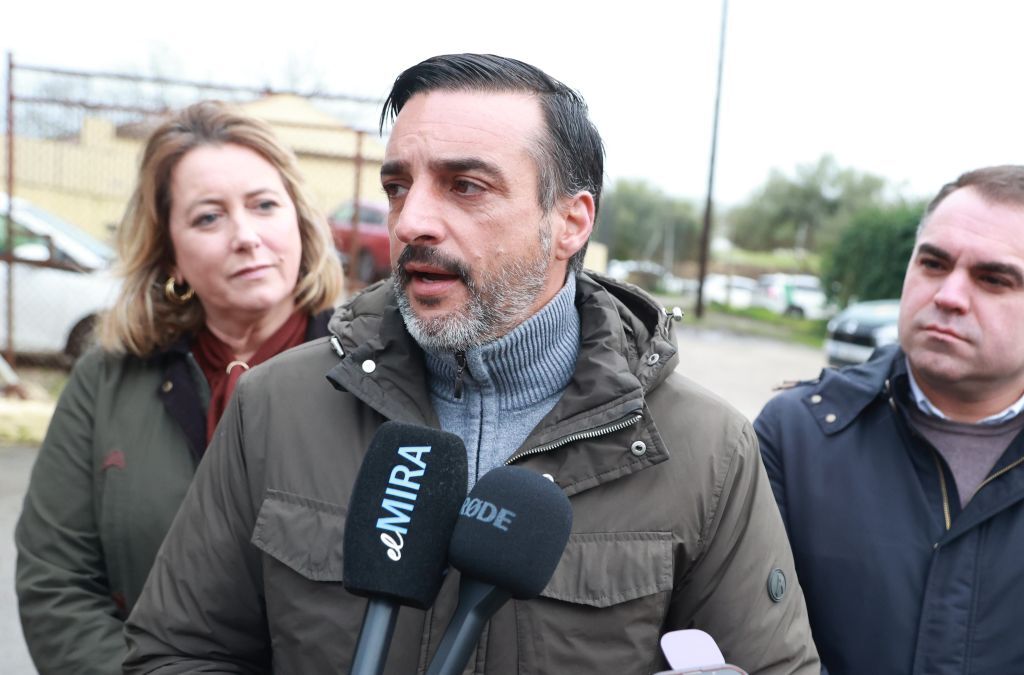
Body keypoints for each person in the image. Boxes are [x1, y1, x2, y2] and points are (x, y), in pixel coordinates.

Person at [123, 54, 820, 674]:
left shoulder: (707, 449)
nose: (410, 222)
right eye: (398, 186)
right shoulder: (276, 404)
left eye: (465, 186)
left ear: (571, 221)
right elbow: (177, 651)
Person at [757, 165, 1024, 674]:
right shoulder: (795, 436)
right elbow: (745, 642)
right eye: (933, 263)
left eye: (993, 279)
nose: (949, 295)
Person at [14, 101, 344, 674]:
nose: (246, 236)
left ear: (299, 220)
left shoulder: (370, 372)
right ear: (171, 255)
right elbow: (55, 582)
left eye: (264, 205)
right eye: (208, 218)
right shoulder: (107, 378)